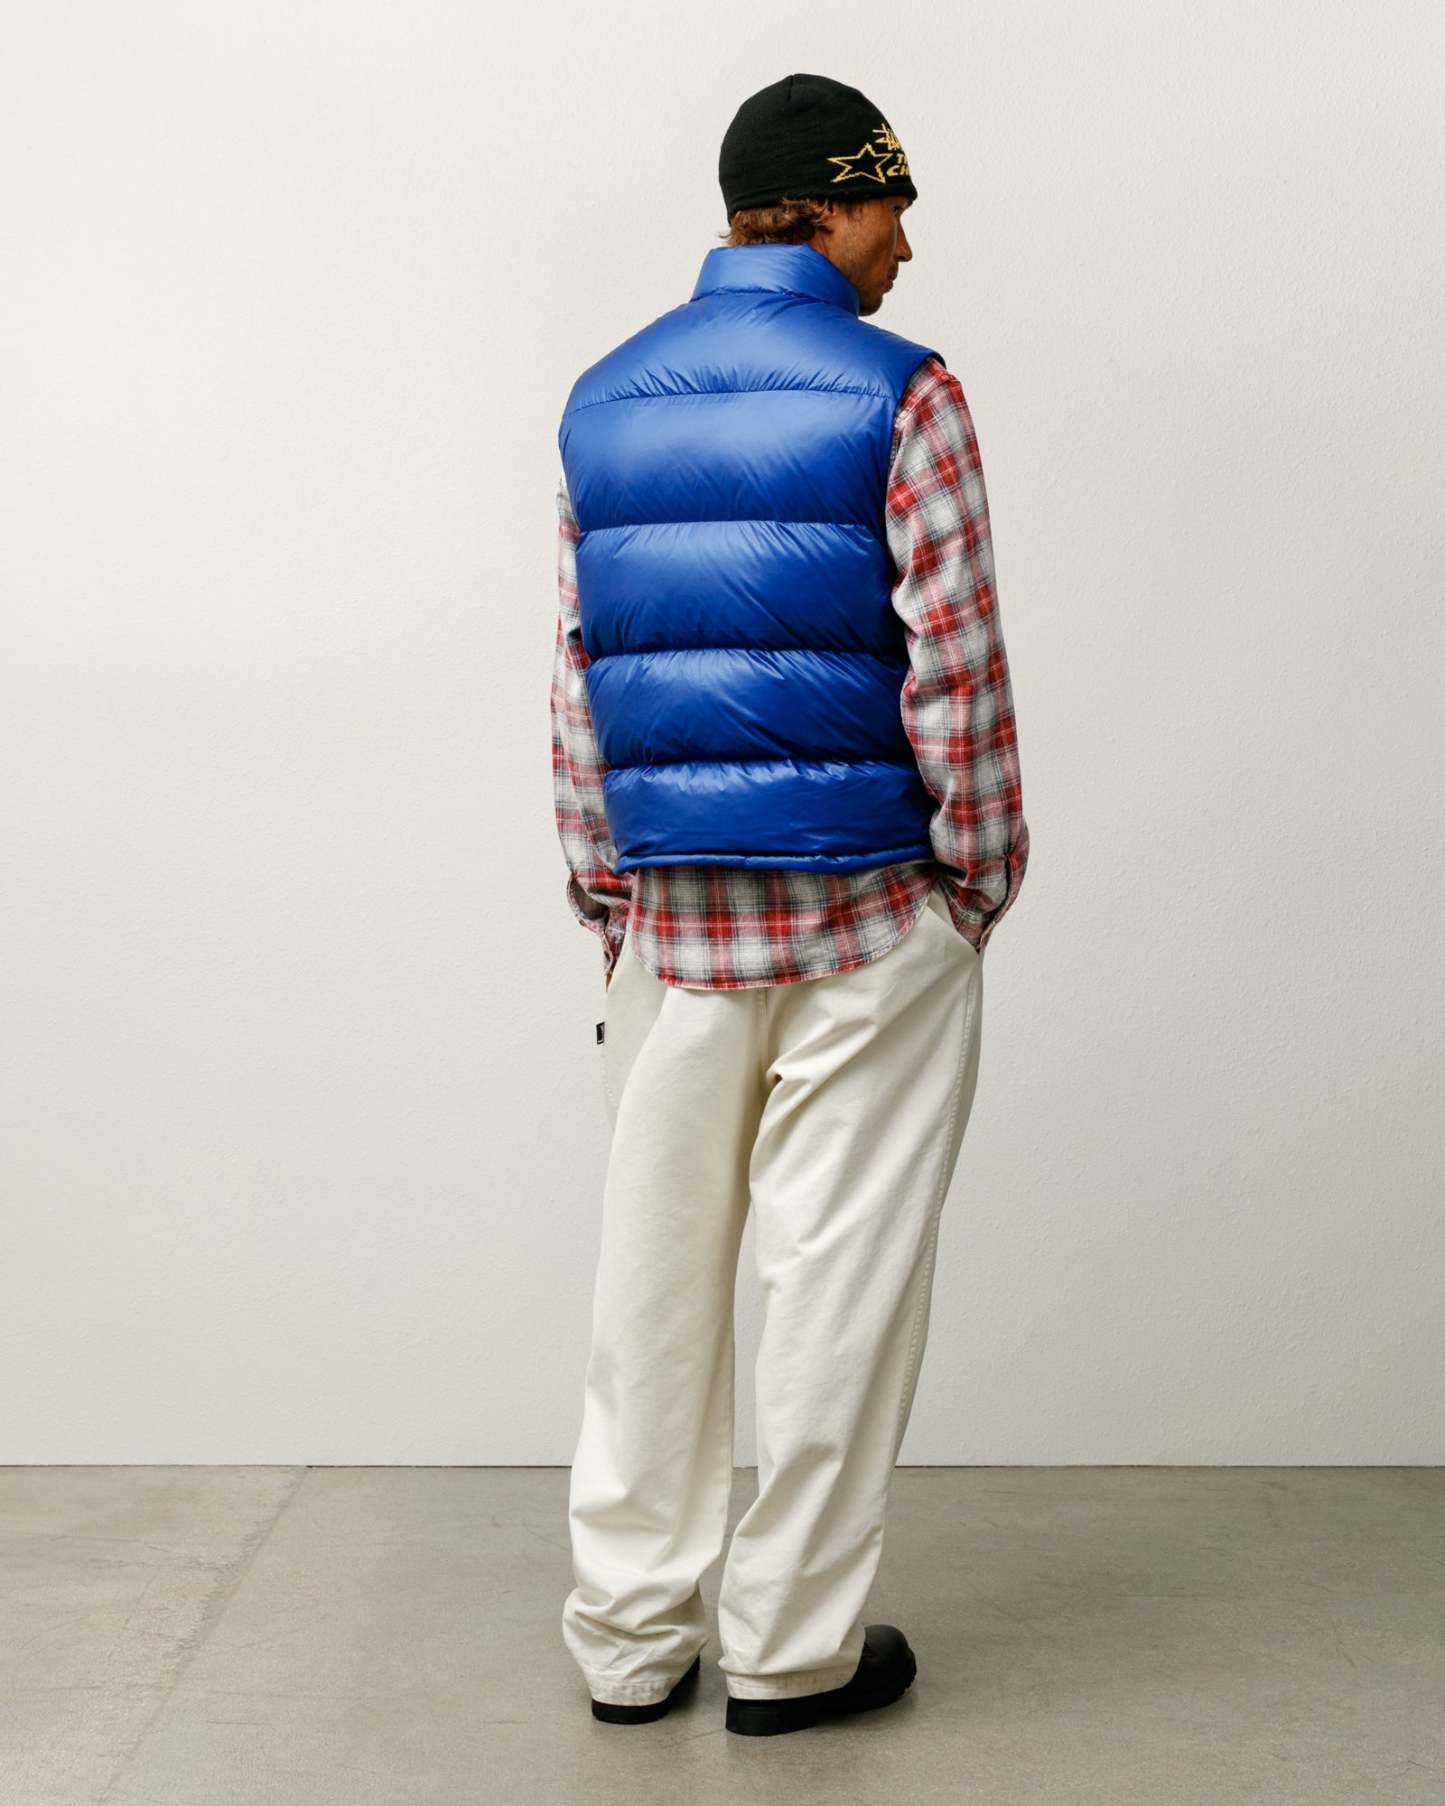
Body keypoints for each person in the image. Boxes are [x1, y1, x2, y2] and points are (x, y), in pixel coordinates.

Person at [550, 70, 1030, 1737]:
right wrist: (976, 882)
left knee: (650, 1284)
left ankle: (627, 1639)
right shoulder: (907, 392)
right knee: (837, 1286)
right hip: (868, 917)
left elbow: (576, 677)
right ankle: (789, 1651)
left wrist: (605, 895)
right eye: (890, 206)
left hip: (672, 920)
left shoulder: (601, 399)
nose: (904, 243)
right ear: (827, 203)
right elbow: (956, 667)